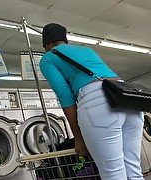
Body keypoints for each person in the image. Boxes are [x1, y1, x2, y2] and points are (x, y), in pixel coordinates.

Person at [39, 23, 144, 179]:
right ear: (65, 40)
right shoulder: (87, 50)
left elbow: (65, 97)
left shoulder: (48, 58)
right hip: (127, 98)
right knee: (133, 170)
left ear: (46, 44)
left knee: (113, 174)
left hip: (98, 103)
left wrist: (79, 138)